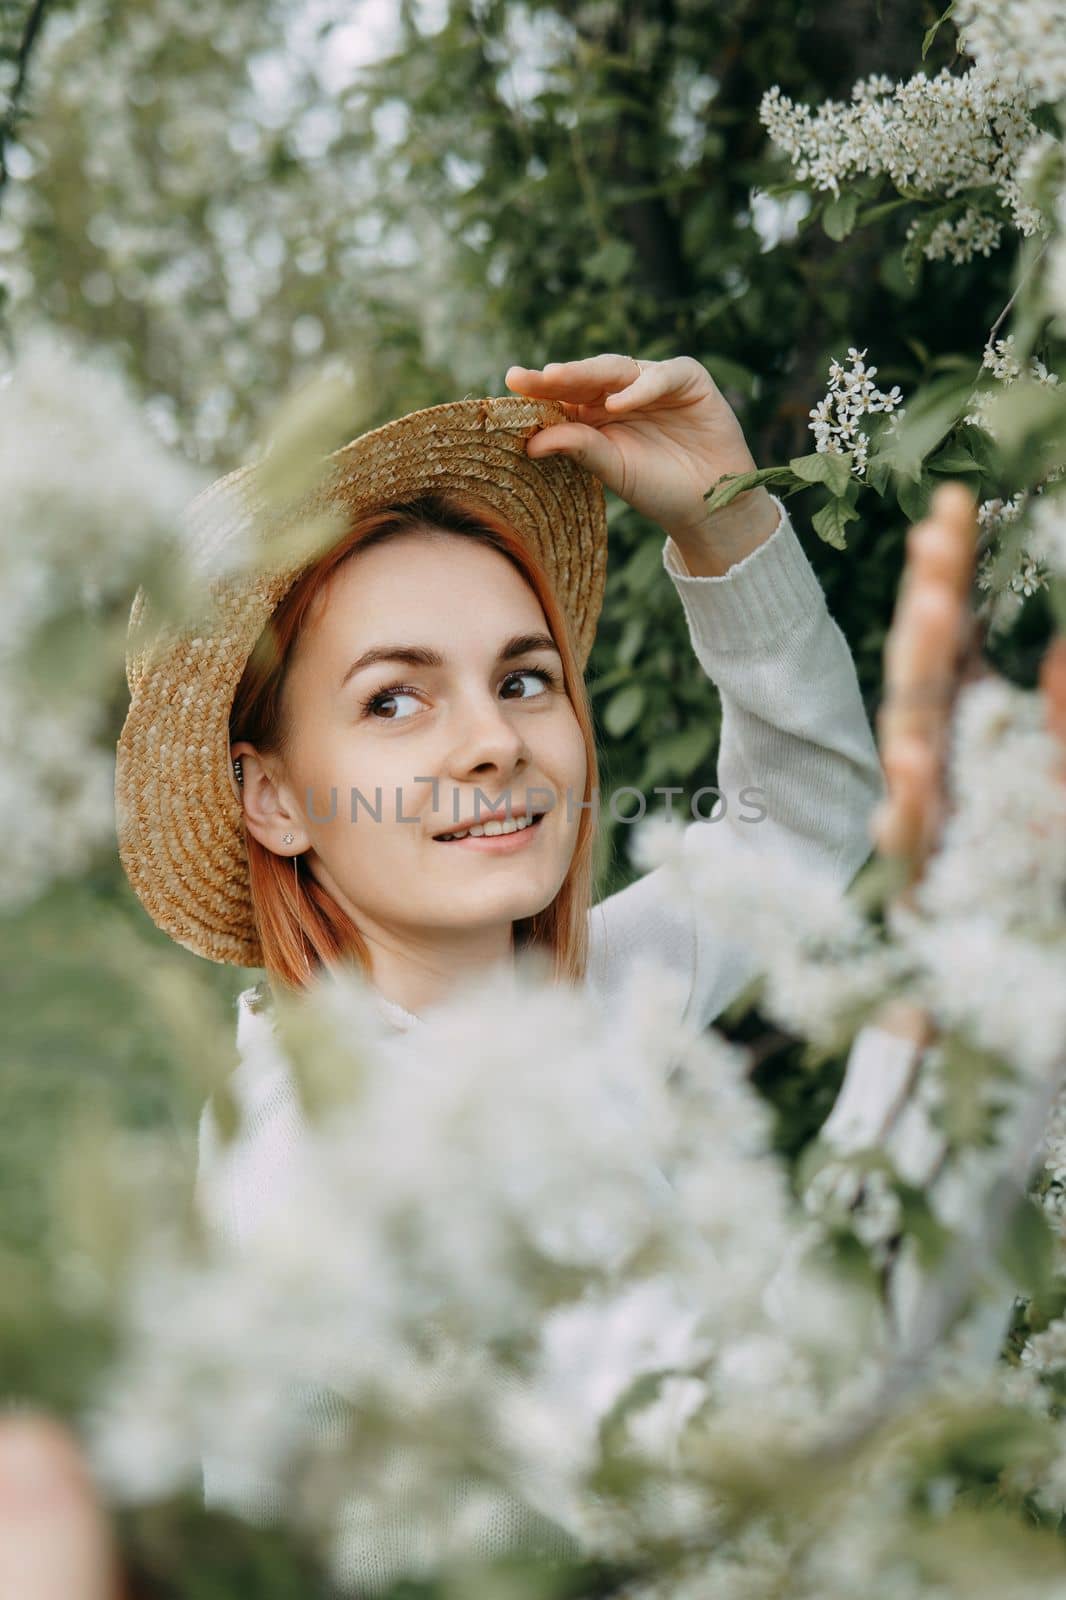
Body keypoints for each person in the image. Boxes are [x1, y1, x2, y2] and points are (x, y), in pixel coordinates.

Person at [115, 351, 890, 1584]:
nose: (492, 743)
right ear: (270, 797)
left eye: (523, 679)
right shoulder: (310, 1169)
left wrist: (722, 512)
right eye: (393, 702)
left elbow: (804, 815)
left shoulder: (580, 995)